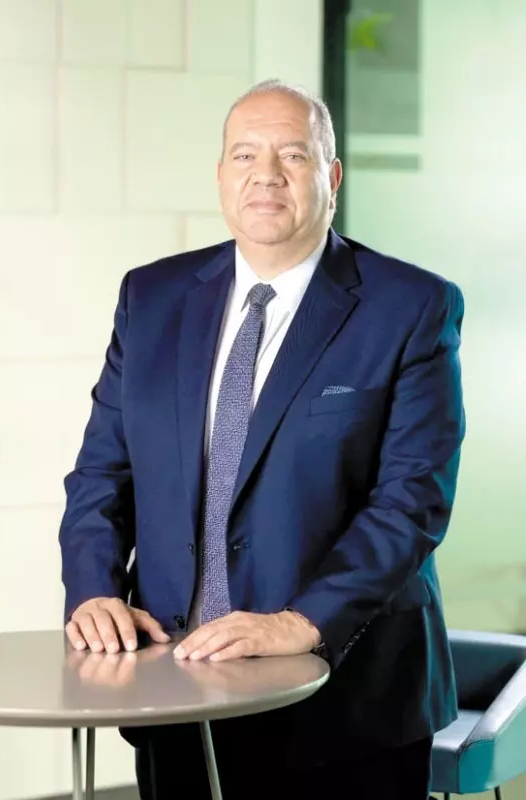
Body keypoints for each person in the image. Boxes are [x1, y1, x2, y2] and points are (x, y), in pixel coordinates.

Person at [59, 79, 465, 800]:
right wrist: (93, 591)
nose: (266, 175)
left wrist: (302, 622)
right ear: (220, 175)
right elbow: (101, 473)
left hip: (347, 703)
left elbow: (411, 501)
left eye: (293, 155)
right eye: (244, 155)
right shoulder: (150, 297)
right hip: (173, 689)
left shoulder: (410, 305)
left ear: (331, 177)